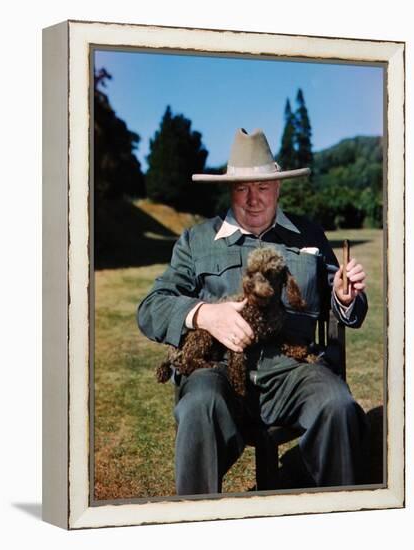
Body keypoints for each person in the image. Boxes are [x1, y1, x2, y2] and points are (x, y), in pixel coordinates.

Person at [137, 128, 368, 495]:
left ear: (278, 187)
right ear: (229, 189)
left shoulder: (308, 235)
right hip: (218, 372)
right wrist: (205, 315)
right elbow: (151, 307)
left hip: (294, 371)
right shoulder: (196, 241)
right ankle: (196, 521)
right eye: (243, 188)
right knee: (199, 406)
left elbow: (346, 301)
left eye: (262, 188)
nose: (253, 199)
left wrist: (344, 295)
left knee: (337, 404)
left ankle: (341, 519)